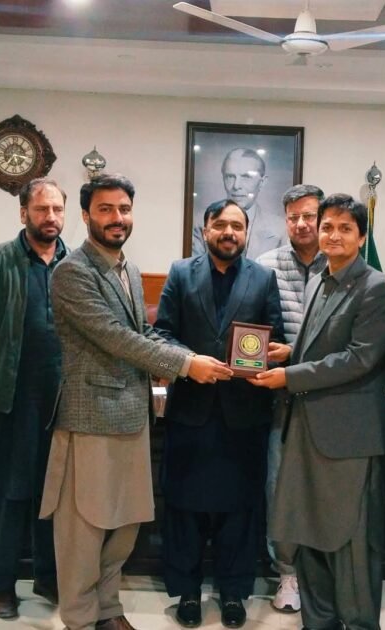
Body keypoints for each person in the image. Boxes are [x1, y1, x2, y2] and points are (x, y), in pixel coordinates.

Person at [39, 173, 233, 630]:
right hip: (90, 417)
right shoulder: (72, 272)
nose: (117, 218)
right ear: (86, 215)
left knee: (124, 527)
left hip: (132, 416)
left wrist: (192, 357)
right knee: (84, 530)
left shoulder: (126, 267)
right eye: (105, 209)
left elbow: (144, 333)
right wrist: (187, 364)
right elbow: (116, 338)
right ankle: (80, 618)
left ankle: (108, 608)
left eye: (124, 209)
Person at [253, 193, 385, 630]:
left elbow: (359, 359)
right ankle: (318, 623)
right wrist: (289, 353)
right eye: (327, 227)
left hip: (349, 439)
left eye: (344, 228)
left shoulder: (375, 287)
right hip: (307, 430)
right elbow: (320, 343)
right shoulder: (320, 279)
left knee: (350, 546)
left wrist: (289, 376)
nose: (333, 235)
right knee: (309, 538)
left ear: (362, 236)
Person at [153, 199, 285, 628]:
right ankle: (188, 592)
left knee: (239, 511)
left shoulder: (263, 278)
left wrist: (269, 356)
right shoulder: (180, 273)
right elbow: (161, 333)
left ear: (246, 233)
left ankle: (233, 593)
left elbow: (275, 336)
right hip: (191, 411)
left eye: (237, 226)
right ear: (205, 229)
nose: (229, 232)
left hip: (244, 415)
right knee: (184, 510)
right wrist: (190, 362)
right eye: (221, 224)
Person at [0, 178, 70, 619]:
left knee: (54, 495)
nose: (50, 217)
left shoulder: (76, 264)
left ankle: (48, 576)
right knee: (6, 495)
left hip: (63, 401)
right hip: (9, 398)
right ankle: (1, 583)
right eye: (42, 209)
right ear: (24, 213)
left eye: (57, 209)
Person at [254, 183, 327, 613]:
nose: (301, 224)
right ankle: (287, 572)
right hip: (280, 399)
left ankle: (322, 572)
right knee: (279, 488)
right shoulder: (265, 266)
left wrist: (294, 354)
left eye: (309, 216)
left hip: (329, 397)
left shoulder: (341, 263)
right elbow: (251, 332)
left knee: (324, 489)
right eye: (293, 217)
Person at [192, 148, 288, 259]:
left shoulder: (280, 228)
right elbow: (196, 266)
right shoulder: (199, 223)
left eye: (246, 177)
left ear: (262, 182)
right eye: (230, 177)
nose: (236, 186)